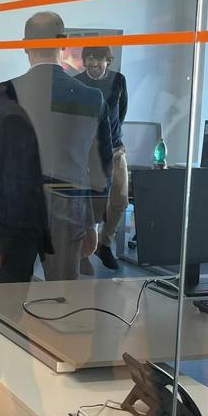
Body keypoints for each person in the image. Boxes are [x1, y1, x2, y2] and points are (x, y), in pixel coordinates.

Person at [0, 12, 112, 283]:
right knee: (62, 297)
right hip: (68, 211)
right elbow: (102, 166)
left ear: (25, 45)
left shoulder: (4, 94)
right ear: (64, 43)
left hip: (13, 210)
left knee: (10, 297)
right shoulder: (91, 97)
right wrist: (93, 221)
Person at [74, 45, 129, 274]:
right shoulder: (76, 82)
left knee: (120, 199)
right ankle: (84, 251)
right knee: (88, 204)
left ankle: (105, 244)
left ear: (108, 60)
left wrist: (110, 137)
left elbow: (121, 112)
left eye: (99, 59)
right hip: (86, 151)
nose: (94, 64)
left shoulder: (119, 80)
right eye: (89, 59)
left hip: (115, 149)